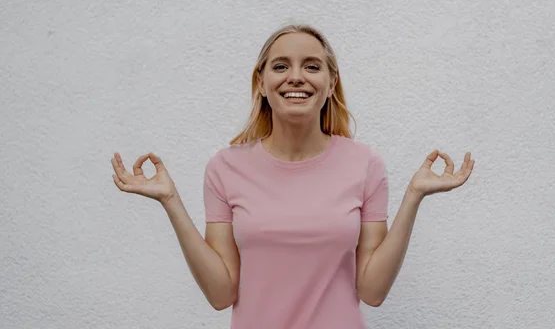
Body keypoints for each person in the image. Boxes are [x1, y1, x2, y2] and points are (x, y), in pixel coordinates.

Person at [110, 24, 475, 329]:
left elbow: (373, 291)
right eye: (281, 66)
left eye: (312, 66)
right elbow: (221, 294)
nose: (296, 77)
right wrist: (170, 201)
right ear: (262, 82)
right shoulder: (225, 168)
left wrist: (414, 197)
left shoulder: (365, 164)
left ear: (331, 83)